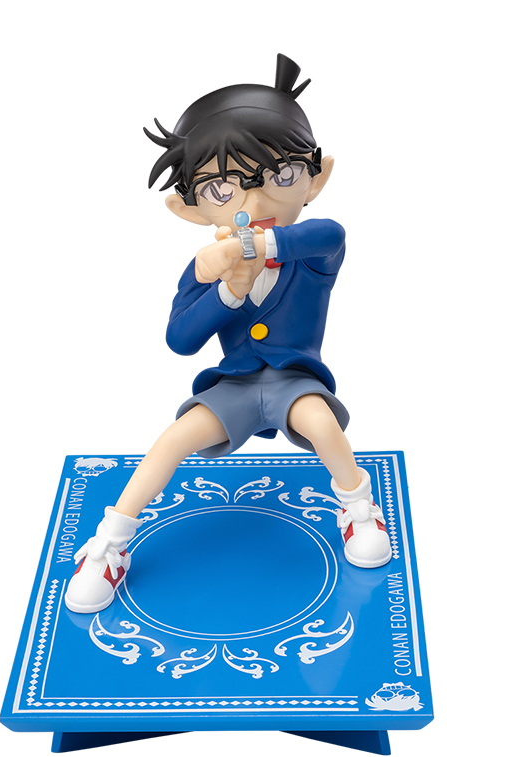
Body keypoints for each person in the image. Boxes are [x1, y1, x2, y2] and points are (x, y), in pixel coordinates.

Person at [65, 54, 391, 614]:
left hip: (294, 380)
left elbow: (328, 234)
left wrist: (257, 246)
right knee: (172, 440)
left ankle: (358, 509)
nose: (256, 202)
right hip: (233, 386)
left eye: (281, 176)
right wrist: (226, 292)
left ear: (317, 177)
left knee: (320, 422)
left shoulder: (312, 251)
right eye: (223, 189)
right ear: (189, 208)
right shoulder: (204, 269)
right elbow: (180, 340)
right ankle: (108, 546)